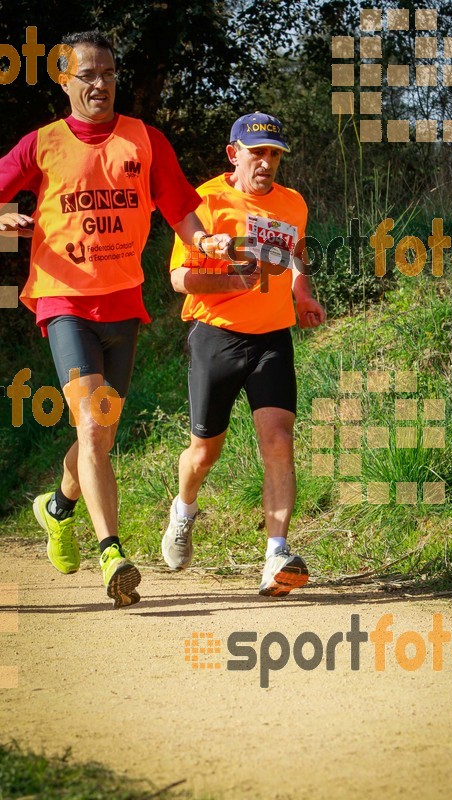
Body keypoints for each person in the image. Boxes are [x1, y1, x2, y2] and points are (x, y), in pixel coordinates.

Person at [0, 31, 230, 608]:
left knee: (98, 431)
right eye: (87, 74)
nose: (99, 83)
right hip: (63, 300)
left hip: (122, 303)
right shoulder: (42, 144)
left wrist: (209, 244)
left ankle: (58, 508)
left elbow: (181, 208)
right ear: (64, 80)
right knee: (93, 427)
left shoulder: (144, 140)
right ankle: (113, 554)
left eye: (107, 73)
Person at [161, 112, 325, 596]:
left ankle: (276, 554)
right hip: (217, 335)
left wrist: (303, 294)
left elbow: (293, 256)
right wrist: (232, 280)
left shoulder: (292, 204)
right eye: (258, 153)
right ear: (234, 154)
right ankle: (184, 511)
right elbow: (177, 279)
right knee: (205, 450)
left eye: (275, 154)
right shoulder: (205, 203)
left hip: (273, 337)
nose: (267, 163)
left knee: (278, 438)